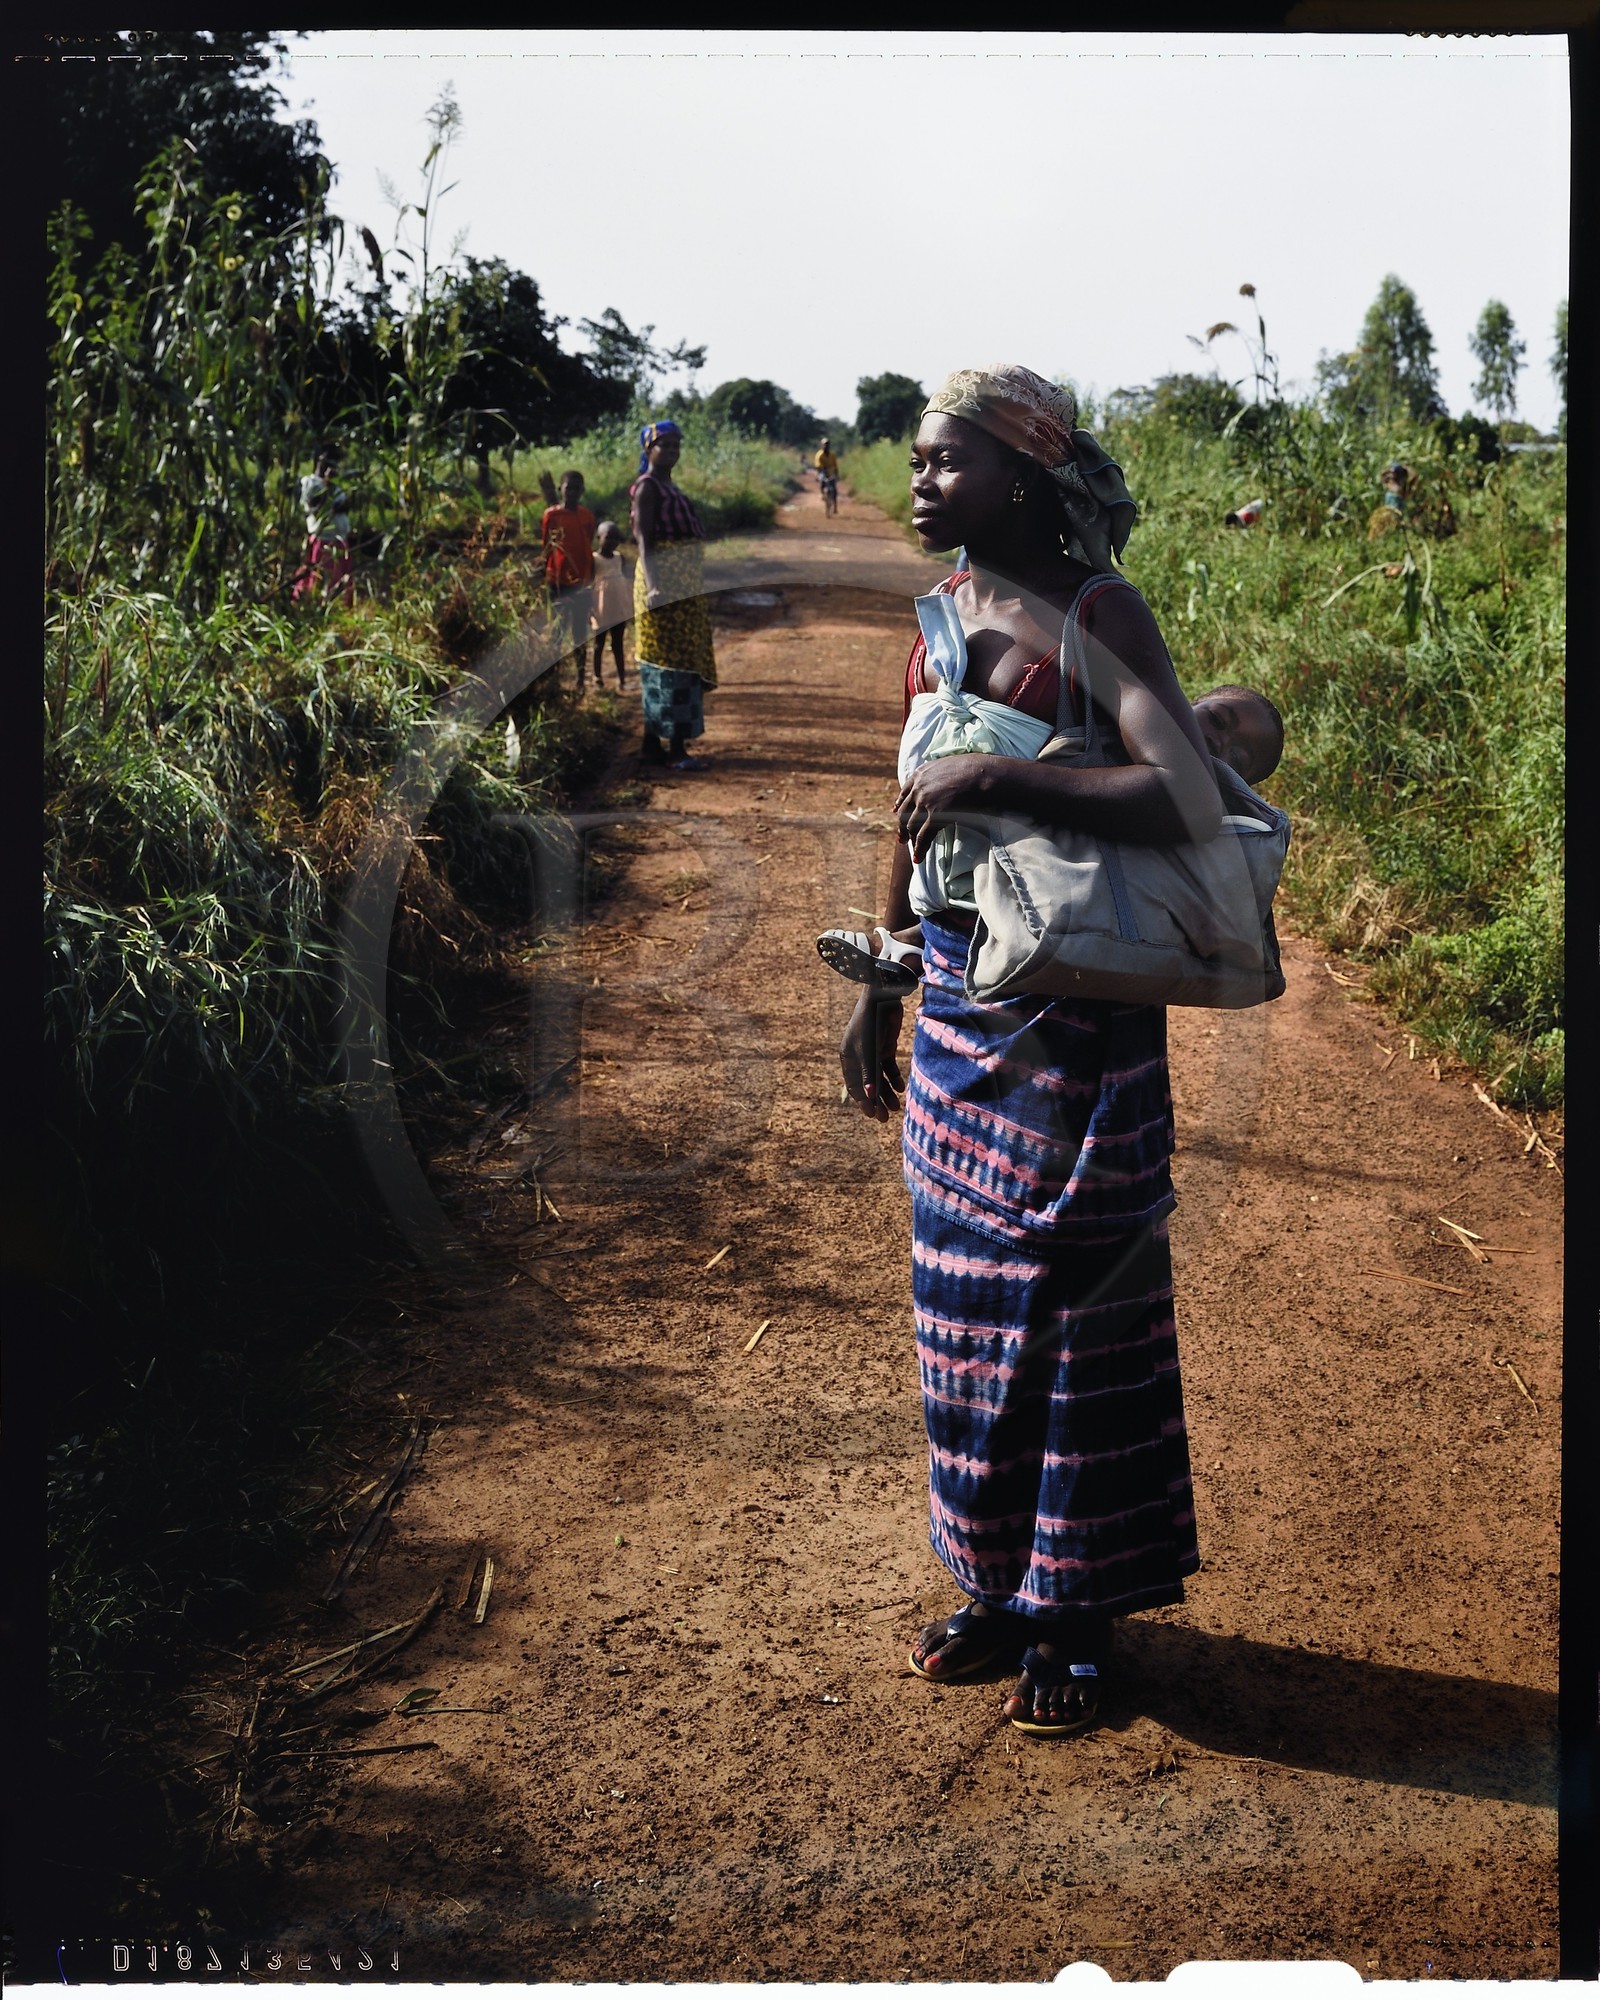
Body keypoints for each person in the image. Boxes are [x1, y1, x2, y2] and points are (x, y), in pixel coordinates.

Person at [838, 363, 1227, 1737]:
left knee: (1078, 1313)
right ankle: (997, 1586)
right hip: (957, 1009)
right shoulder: (937, 619)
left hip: (1081, 1022)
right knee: (967, 1318)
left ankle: (1074, 1611)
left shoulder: (1099, 614)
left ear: (1025, 471)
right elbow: (908, 813)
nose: (920, 481)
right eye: (917, 461)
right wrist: (878, 982)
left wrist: (1001, 773)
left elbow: (1179, 787)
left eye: (946, 460)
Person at [818, 683, 1285, 994]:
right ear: (1188, 700)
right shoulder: (1136, 726)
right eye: (1218, 720)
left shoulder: (1209, 805)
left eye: (1238, 756)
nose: (1220, 745)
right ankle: (911, 941)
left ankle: (910, 943)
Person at [630, 420, 718, 773]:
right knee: (667, 666)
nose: (671, 452)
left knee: (679, 661)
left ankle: (652, 745)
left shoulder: (669, 486)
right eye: (664, 445)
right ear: (648, 448)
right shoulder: (646, 488)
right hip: (662, 585)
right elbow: (644, 542)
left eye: (676, 446)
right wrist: (653, 586)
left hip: (684, 588)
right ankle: (676, 749)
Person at [541, 470, 597, 688]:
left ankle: (581, 678)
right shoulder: (551, 516)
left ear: (582, 491)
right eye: (568, 488)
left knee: (580, 631)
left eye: (577, 488)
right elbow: (546, 546)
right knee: (557, 628)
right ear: (560, 490)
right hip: (557, 581)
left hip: (581, 581)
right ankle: (553, 677)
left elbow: (587, 543)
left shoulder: (587, 517)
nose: (572, 492)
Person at [292, 449, 355, 608]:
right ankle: (315, 606)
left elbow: (343, 506)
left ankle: (336, 607)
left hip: (339, 540)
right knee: (321, 577)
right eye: (325, 463)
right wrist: (327, 485)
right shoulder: (311, 483)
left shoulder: (336, 485)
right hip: (323, 540)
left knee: (340, 578)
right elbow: (314, 505)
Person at [588, 520, 630, 690]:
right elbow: (590, 583)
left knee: (618, 643)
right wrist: (590, 608)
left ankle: (622, 678)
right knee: (599, 643)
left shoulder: (620, 558)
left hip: (618, 606)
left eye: (616, 538)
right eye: (608, 537)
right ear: (599, 538)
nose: (612, 541)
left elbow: (625, 580)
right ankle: (597, 676)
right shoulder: (594, 559)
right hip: (601, 607)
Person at [815, 435, 840, 515]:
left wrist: (837, 474)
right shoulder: (819, 454)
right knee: (822, 481)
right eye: (824, 444)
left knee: (834, 490)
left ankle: (835, 507)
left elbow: (835, 465)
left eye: (827, 444)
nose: (826, 446)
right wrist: (820, 474)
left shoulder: (832, 455)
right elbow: (818, 466)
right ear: (822, 445)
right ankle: (822, 493)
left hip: (831, 472)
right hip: (823, 471)